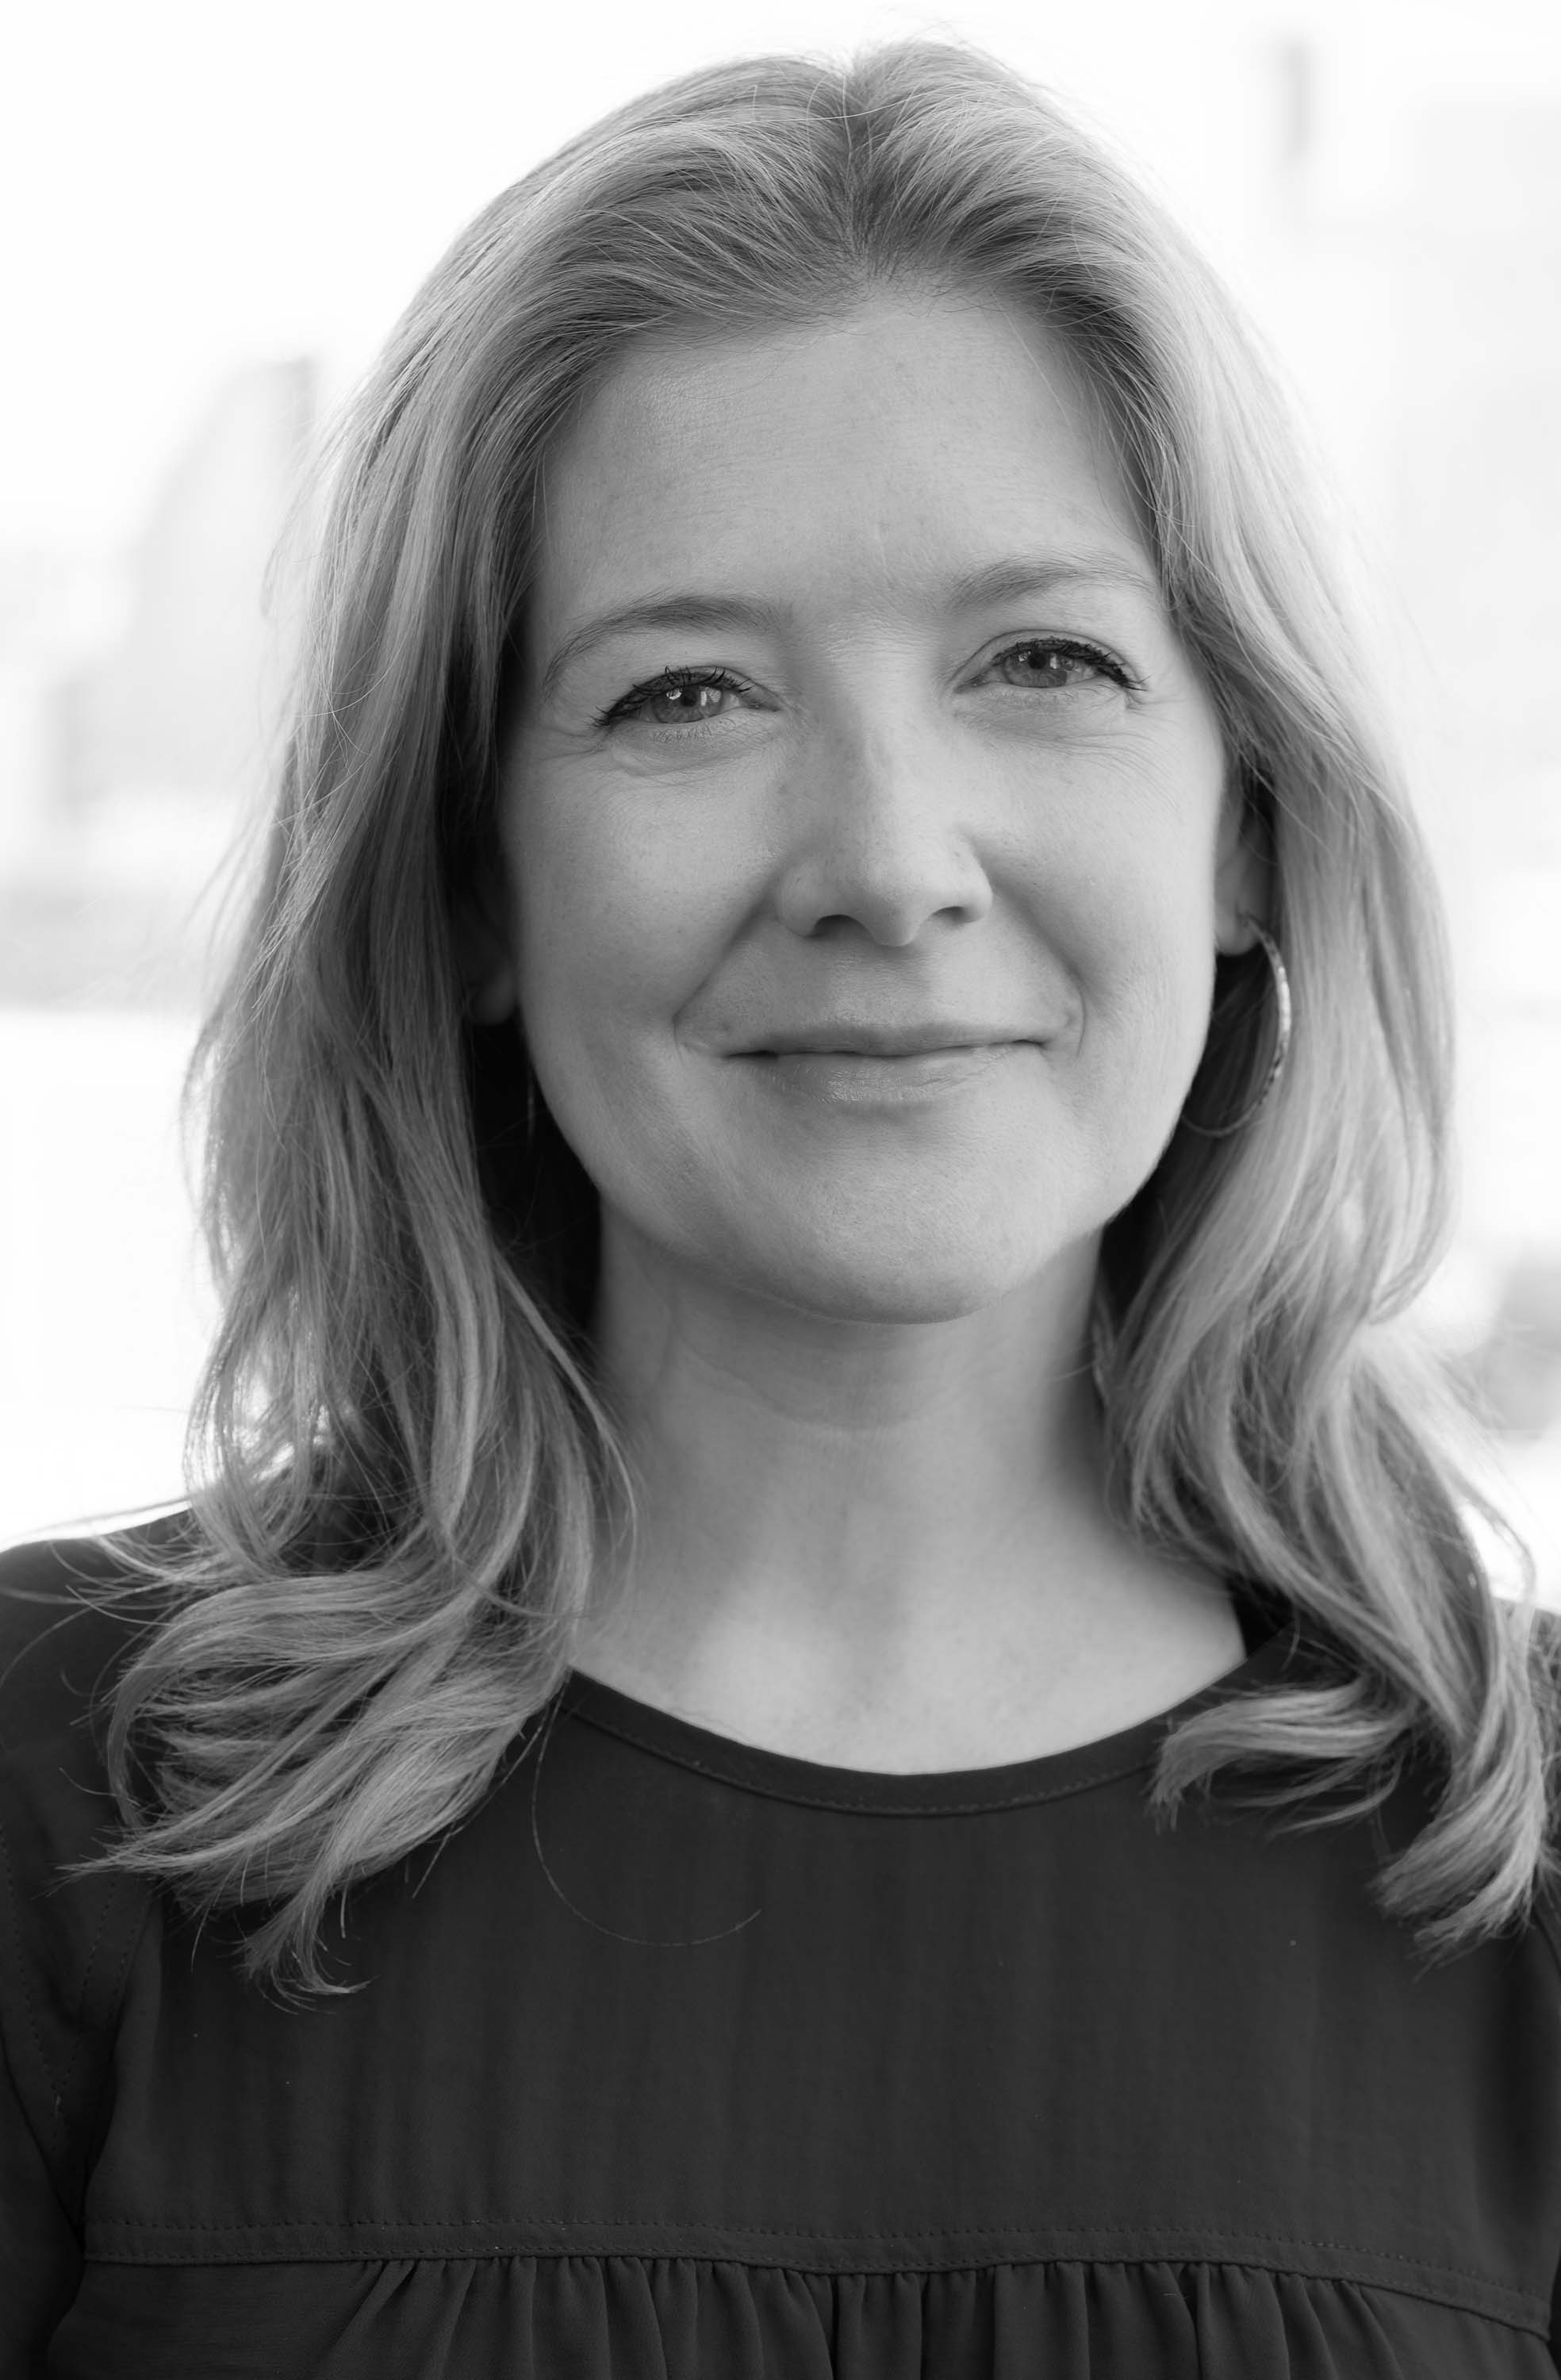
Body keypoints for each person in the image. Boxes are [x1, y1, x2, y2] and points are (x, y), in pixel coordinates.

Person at [3, 35, 1560, 2378]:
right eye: (688, 696)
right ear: (471, 885)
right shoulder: (51, 1808)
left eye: (1043, 662)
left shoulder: (1527, 1886)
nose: (886, 865)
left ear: (1248, 824)